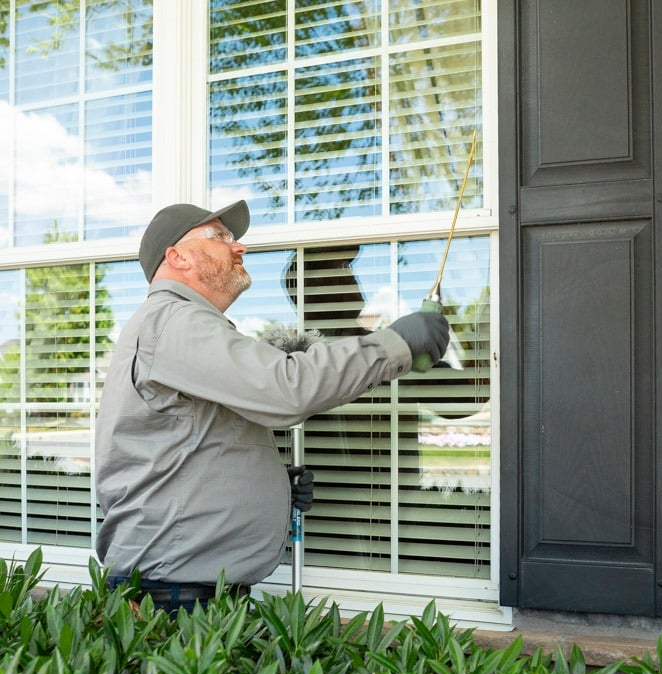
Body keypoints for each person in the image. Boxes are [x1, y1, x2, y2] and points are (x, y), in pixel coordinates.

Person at [95, 200, 450, 614]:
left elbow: (195, 444)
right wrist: (396, 343)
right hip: (176, 598)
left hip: (185, 589)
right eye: (221, 237)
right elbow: (286, 388)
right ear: (178, 257)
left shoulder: (179, 326)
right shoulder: (175, 322)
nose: (238, 246)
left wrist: (274, 485)